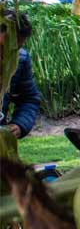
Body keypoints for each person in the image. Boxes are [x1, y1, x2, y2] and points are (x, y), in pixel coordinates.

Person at [0, 10, 42, 138]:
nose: (5, 55)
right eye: (2, 47)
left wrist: (19, 124)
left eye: (14, 49)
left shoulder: (20, 59)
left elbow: (29, 99)